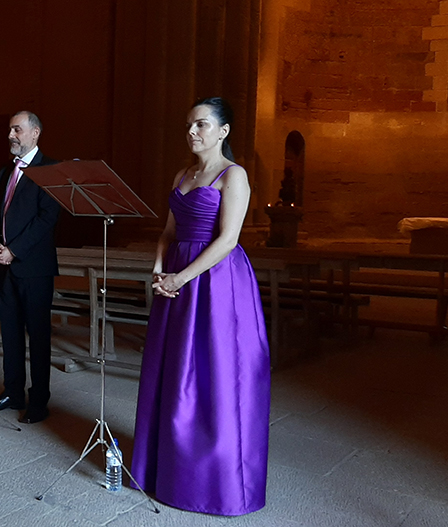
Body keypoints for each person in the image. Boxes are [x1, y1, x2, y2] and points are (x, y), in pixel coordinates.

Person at [130, 97, 270, 515]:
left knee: (213, 372)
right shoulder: (182, 174)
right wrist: (158, 272)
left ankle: (213, 479)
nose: (193, 131)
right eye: (190, 124)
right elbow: (168, 232)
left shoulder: (234, 176)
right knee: (174, 370)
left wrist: (181, 277)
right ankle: (166, 467)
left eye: (202, 125)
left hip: (216, 280)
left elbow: (228, 240)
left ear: (223, 132)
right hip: (174, 277)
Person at [0, 111, 60, 424]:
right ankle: (12, 392)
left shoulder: (51, 169)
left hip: (34, 266)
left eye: (18, 129)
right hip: (6, 265)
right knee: (10, 334)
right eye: (10, 130)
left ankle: (39, 400)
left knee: (38, 336)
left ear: (35, 132)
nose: (11, 135)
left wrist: (14, 250)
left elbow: (47, 219)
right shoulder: (5, 172)